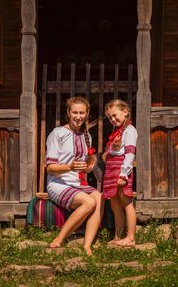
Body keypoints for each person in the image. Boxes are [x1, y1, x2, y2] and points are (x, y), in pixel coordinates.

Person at [46, 96, 102, 256]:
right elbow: (50, 168)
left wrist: (89, 168)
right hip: (58, 183)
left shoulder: (87, 137)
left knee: (98, 197)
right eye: (75, 112)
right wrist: (69, 167)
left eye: (82, 113)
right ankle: (59, 239)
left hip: (76, 183)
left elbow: (84, 169)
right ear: (68, 113)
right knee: (89, 201)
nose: (78, 116)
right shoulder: (58, 133)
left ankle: (87, 245)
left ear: (87, 114)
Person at [102, 99, 138, 247]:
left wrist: (123, 174)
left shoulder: (130, 130)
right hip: (111, 172)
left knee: (126, 203)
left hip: (120, 172)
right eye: (110, 117)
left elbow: (129, 154)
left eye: (115, 115)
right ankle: (118, 236)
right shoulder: (116, 132)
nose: (113, 119)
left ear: (125, 112)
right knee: (114, 205)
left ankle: (130, 237)